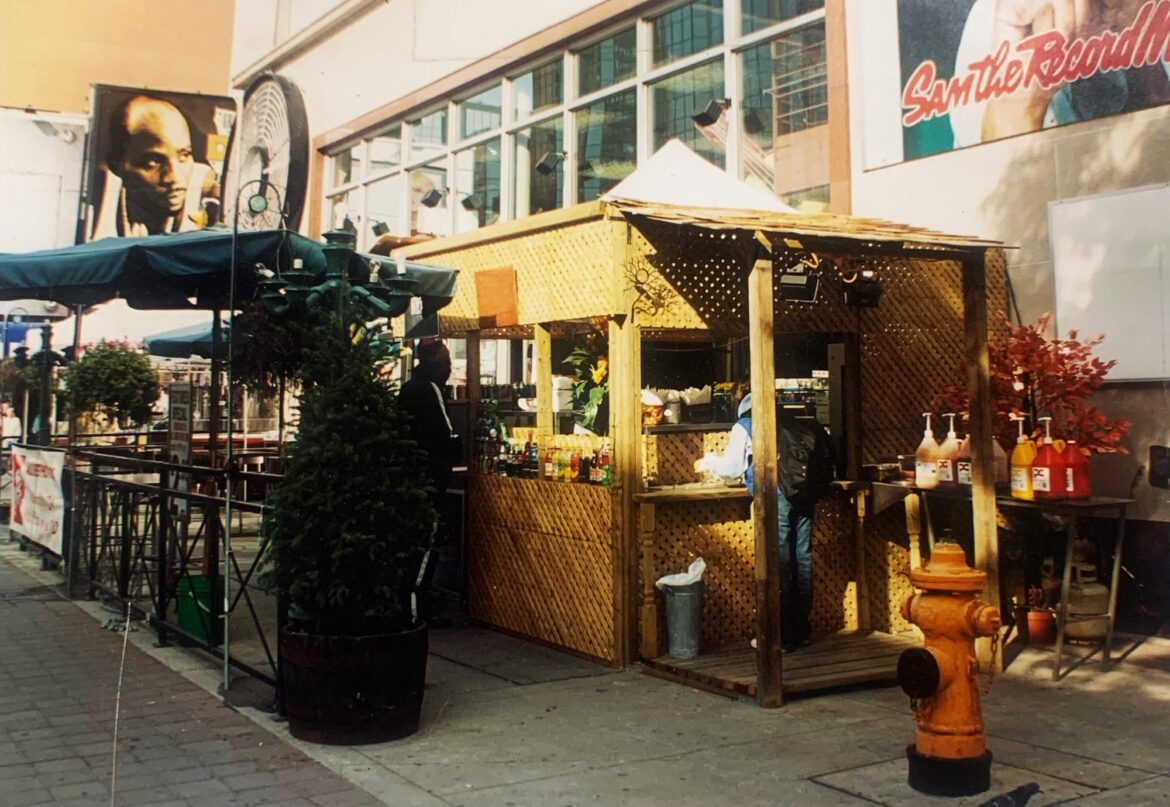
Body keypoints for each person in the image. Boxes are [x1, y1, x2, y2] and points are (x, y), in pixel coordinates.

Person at [696, 391, 834, 651]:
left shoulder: (745, 425)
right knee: (802, 559)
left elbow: (732, 468)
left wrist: (709, 462)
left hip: (775, 495)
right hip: (802, 492)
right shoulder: (791, 419)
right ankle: (800, 631)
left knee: (778, 561)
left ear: (742, 406)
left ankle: (778, 636)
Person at [90, 94, 220, 239]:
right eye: (153, 163)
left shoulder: (204, 187)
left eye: (184, 155)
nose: (174, 177)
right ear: (116, 166)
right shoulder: (99, 192)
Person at [398, 339, 458, 624]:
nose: (450, 368)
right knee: (426, 543)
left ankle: (411, 602)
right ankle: (416, 608)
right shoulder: (430, 389)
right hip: (430, 478)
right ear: (434, 361)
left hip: (412, 476)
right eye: (446, 361)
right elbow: (447, 433)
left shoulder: (408, 387)